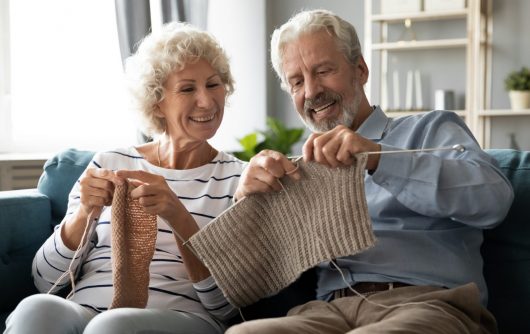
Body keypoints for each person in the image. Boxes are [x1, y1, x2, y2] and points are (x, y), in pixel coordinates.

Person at [227, 9, 514, 334]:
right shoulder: (295, 172)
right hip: (327, 312)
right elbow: (250, 279)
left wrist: (379, 157)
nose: (311, 91)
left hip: (427, 303)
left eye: (323, 70)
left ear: (360, 70)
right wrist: (244, 202)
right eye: (297, 81)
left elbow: (493, 200)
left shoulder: (429, 130)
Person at [5, 22, 245, 334]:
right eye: (188, 89)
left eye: (213, 85)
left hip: (181, 317)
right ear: (157, 101)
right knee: (36, 309)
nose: (207, 101)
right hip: (86, 307)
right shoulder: (109, 163)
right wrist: (83, 214)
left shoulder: (237, 178)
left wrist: (177, 215)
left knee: (112, 326)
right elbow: (45, 280)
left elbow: (226, 303)